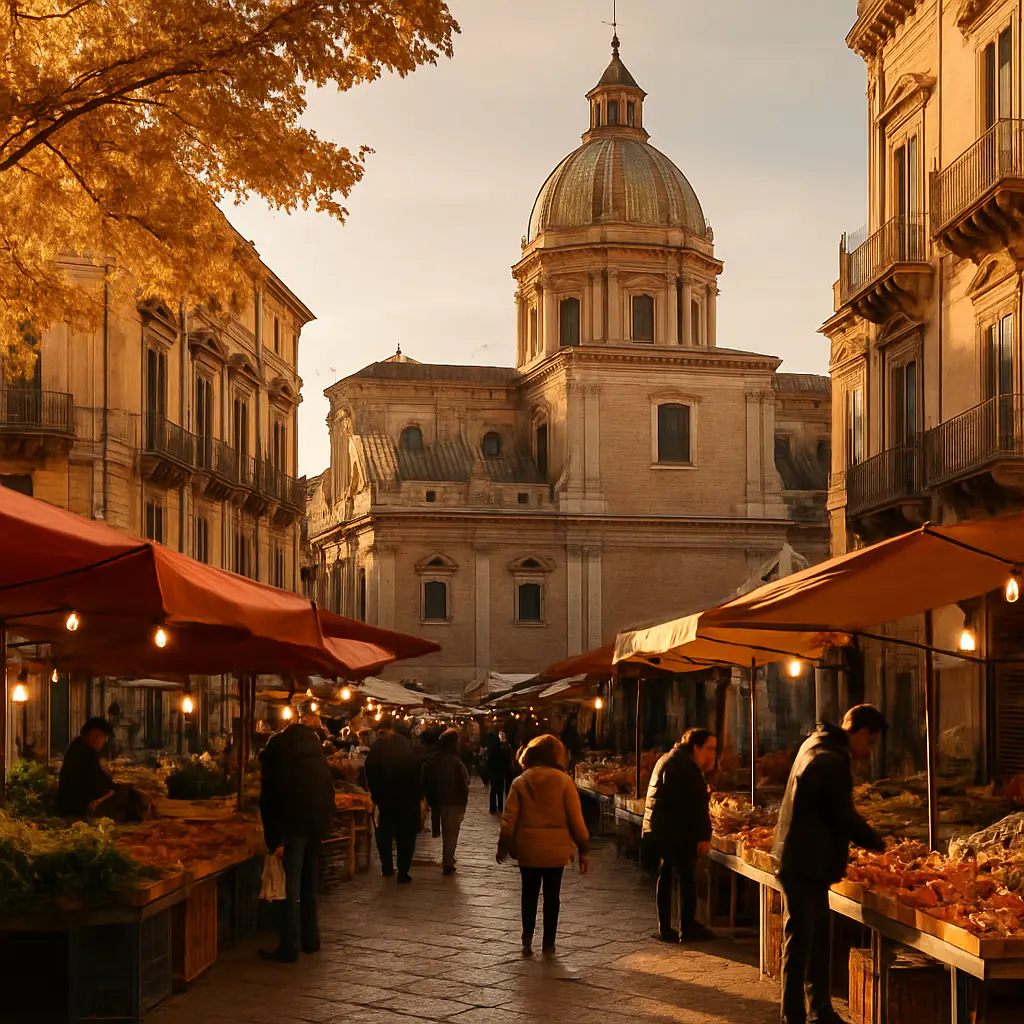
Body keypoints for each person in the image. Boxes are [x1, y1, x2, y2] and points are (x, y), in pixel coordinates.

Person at [773, 705, 887, 1024]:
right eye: (872, 743)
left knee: (816, 937)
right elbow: (842, 814)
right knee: (801, 939)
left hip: (806, 860)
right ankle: (794, 1013)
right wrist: (876, 842)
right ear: (860, 732)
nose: (870, 751)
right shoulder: (831, 760)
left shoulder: (815, 744)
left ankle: (818, 1008)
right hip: (804, 863)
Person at [496, 734, 589, 958]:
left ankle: (527, 939)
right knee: (552, 897)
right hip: (555, 852)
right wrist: (583, 848)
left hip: (528, 850)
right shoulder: (564, 781)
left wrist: (503, 845)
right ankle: (549, 943)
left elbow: (509, 820)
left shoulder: (520, 782)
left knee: (528, 895)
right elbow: (576, 819)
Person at [258, 702, 336, 963]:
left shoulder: (278, 755)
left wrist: (274, 839)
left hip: (291, 826)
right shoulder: (316, 754)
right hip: (315, 825)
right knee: (309, 884)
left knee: (289, 889)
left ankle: (289, 946)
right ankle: (311, 939)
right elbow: (328, 791)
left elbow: (270, 798)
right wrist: (325, 824)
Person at [642, 727, 718, 944]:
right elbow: (694, 805)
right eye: (710, 749)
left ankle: (670, 927)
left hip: (662, 829)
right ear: (696, 747)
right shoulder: (685, 766)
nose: (713, 754)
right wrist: (703, 835)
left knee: (669, 877)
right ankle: (685, 926)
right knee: (684, 877)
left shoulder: (670, 759)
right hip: (674, 831)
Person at [364, 715, 421, 884]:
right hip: (408, 799)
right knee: (406, 836)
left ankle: (387, 866)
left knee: (385, 832)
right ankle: (403, 870)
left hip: (385, 798)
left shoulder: (378, 746)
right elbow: (417, 773)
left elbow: (370, 769)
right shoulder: (409, 748)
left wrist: (375, 794)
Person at [423, 728, 470, 874]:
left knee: (446, 831)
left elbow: (425, 780)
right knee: (451, 833)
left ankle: (448, 857)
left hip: (437, 801)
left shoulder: (431, 760)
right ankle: (448, 861)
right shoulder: (456, 761)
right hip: (454, 802)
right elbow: (464, 782)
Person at [57, 718, 117, 817]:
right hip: (76, 809)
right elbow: (95, 781)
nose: (103, 742)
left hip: (69, 804)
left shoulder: (77, 745)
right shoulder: (85, 753)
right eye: (103, 737)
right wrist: (112, 787)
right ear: (94, 735)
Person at [488, 732, 513, 814]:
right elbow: (506, 761)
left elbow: (490, 762)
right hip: (500, 772)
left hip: (494, 772)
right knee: (500, 790)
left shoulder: (492, 752)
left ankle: (493, 807)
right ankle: (500, 806)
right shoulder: (503, 751)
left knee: (493, 790)